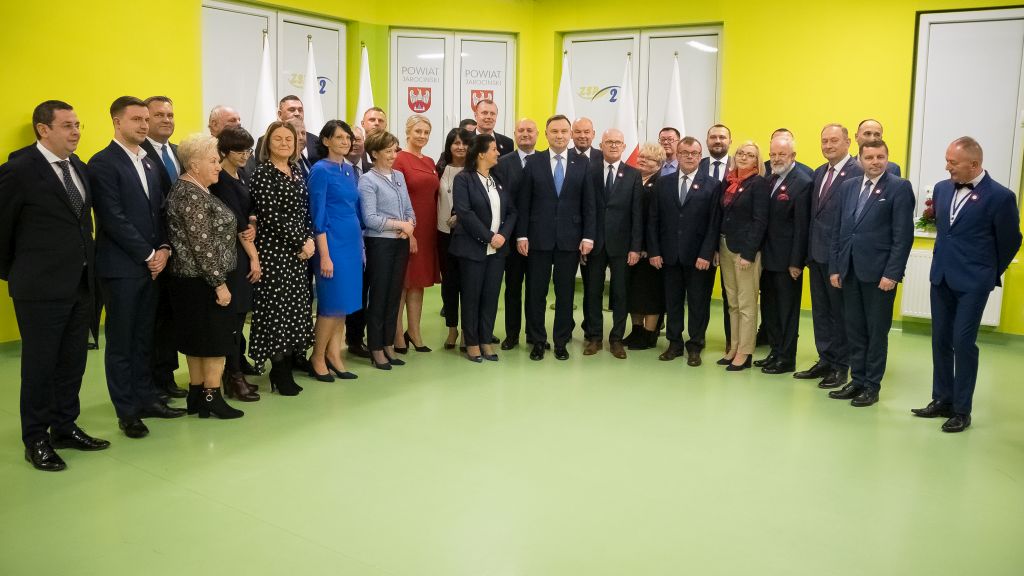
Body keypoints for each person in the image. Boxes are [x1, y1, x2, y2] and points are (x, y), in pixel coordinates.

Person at [0, 100, 110, 471]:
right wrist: (21, 273)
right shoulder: (18, 170)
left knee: (72, 362)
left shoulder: (78, 166)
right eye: (67, 125)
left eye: (78, 125)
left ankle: (65, 426)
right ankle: (36, 438)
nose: (76, 132)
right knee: (40, 367)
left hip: (80, 284)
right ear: (43, 129)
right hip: (39, 288)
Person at [90, 96, 185, 440]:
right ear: (117, 122)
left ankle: (147, 398)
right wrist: (148, 254)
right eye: (137, 119)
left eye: (146, 119)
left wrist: (164, 248)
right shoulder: (102, 163)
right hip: (122, 268)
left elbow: (160, 211)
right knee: (122, 343)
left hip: (152, 266)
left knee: (145, 338)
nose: (144, 125)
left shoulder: (147, 162)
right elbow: (113, 218)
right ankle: (127, 411)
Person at [912, 137, 1021, 432]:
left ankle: (962, 409)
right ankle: (942, 399)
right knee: (940, 340)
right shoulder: (942, 189)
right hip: (942, 277)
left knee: (963, 343)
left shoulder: (1000, 197)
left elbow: (1011, 240)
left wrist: (988, 272)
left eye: (953, 162)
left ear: (974, 164)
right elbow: (946, 233)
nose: (947, 167)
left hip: (973, 283)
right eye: (947, 160)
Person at [828, 139, 914, 407]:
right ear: (860, 160)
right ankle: (857, 380)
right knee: (854, 329)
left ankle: (871, 386)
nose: (875, 162)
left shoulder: (899, 187)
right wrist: (835, 267)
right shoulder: (848, 186)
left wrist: (893, 273)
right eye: (869, 157)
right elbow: (838, 230)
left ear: (887, 158)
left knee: (876, 332)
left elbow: (903, 236)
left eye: (880, 157)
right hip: (850, 270)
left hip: (880, 276)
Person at [165, 133, 245, 419]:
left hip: (194, 281)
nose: (218, 166)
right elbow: (202, 245)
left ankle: (197, 395)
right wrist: (219, 284)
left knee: (198, 341)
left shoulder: (192, 189)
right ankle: (212, 396)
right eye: (212, 161)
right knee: (214, 342)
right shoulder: (191, 195)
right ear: (194, 164)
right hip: (204, 281)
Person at [516, 114, 596, 361]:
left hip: (570, 240)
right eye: (554, 131)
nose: (559, 136)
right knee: (536, 292)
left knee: (565, 293)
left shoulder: (583, 163)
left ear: (570, 134)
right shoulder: (534, 162)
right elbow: (524, 202)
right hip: (538, 238)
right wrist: (521, 235)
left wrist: (588, 236)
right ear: (546, 134)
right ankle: (537, 340)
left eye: (563, 131)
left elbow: (589, 204)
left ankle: (561, 341)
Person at [248, 121, 315, 395]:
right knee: (275, 311)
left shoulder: (296, 171)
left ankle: (288, 362)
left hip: (298, 253)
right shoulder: (263, 174)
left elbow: (304, 211)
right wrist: (301, 241)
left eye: (289, 139)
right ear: (268, 143)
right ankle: (279, 370)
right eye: (278, 139)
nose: (285, 143)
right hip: (274, 252)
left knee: (294, 309)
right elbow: (270, 216)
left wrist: (308, 240)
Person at [795, 123, 862, 388]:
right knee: (821, 313)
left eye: (834, 140)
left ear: (848, 142)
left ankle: (840, 366)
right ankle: (825, 359)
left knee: (839, 315)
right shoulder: (820, 172)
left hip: (839, 258)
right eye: (824, 141)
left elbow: (852, 221)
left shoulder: (857, 172)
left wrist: (841, 259)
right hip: (817, 255)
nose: (828, 145)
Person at [648, 137, 722, 366]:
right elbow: (653, 219)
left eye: (694, 153)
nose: (690, 157)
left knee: (699, 304)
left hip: (699, 257)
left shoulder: (713, 185)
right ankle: (674, 343)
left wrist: (706, 254)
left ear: (700, 156)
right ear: (677, 155)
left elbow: (714, 224)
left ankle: (695, 345)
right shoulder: (663, 183)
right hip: (669, 255)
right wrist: (654, 251)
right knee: (673, 302)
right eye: (685, 152)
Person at [450, 134, 518, 362]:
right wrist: (489, 237)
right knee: (471, 298)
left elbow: (512, 211)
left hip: (497, 251)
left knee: (490, 297)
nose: (498, 153)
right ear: (481, 154)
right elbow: (465, 213)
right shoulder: (464, 179)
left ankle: (485, 340)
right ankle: (471, 343)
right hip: (472, 249)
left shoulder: (497, 179)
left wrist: (503, 236)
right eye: (493, 149)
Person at [307, 120, 362, 382]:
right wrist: (325, 255)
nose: (345, 142)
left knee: (344, 305)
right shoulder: (320, 171)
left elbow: (354, 209)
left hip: (351, 243)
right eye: (339, 137)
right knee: (330, 305)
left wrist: (361, 246)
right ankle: (317, 356)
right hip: (331, 244)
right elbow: (317, 215)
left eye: (348, 138)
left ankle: (334, 354)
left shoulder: (349, 170)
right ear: (326, 140)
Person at [208, 125, 261, 402]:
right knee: (232, 319)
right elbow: (234, 221)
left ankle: (235, 371)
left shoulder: (242, 174)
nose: (245, 155)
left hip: (244, 246)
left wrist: (253, 222)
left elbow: (249, 210)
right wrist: (254, 257)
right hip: (232, 254)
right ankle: (232, 376)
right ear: (225, 151)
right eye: (239, 151)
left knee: (240, 318)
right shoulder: (220, 180)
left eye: (248, 150)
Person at [581, 128, 642, 359]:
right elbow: (585, 208)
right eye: (609, 142)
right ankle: (594, 337)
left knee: (620, 293)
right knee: (592, 292)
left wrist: (635, 247)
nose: (614, 145)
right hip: (594, 243)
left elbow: (637, 214)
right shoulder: (590, 171)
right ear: (601, 145)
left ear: (624, 146)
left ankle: (616, 339)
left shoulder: (633, 174)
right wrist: (584, 238)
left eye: (618, 142)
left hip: (622, 246)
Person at [139, 95, 185, 402]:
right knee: (151, 321)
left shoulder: (180, 152)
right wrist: (160, 248)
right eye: (159, 115)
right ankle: (151, 382)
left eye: (170, 114)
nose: (166, 119)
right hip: (154, 251)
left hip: (180, 251)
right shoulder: (138, 153)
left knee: (171, 317)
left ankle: (167, 375)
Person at [755, 135, 812, 374]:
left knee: (787, 312)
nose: (776, 158)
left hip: (787, 261)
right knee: (770, 310)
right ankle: (775, 352)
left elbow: (802, 227)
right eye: (773, 154)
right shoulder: (770, 179)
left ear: (793, 156)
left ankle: (787, 358)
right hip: (767, 259)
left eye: (782, 154)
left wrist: (796, 262)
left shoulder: (803, 182)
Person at [359, 130, 415, 370]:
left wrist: (409, 225)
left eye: (395, 150)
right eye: (388, 151)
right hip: (380, 244)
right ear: (374, 153)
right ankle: (376, 347)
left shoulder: (399, 176)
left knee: (394, 295)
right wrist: (400, 225)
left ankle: (388, 344)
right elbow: (370, 218)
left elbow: (409, 209)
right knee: (379, 296)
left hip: (400, 242)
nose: (393, 155)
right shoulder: (367, 180)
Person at [717, 141, 769, 371]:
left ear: (757, 160)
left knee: (746, 304)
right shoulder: (729, 181)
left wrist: (748, 253)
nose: (743, 157)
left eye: (749, 154)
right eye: (740, 153)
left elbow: (760, 221)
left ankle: (745, 352)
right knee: (733, 303)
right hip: (726, 246)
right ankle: (734, 346)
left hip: (745, 252)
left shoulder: (758, 183)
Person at [393, 114, 440, 353]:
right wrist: (408, 232)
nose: (422, 136)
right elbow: (395, 198)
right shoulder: (399, 159)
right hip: (407, 229)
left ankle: (414, 332)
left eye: (426, 132)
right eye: (418, 131)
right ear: (408, 132)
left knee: (418, 283)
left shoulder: (430, 161)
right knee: (403, 282)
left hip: (428, 229)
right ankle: (396, 335)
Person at [346, 106, 389, 359]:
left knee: (372, 289)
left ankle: (362, 337)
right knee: (355, 290)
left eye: (358, 140)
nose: (355, 144)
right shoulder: (334, 167)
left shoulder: (373, 165)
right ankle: (350, 338)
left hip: (375, 237)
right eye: (350, 139)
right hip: (348, 238)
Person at [494, 118, 538, 350]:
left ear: (537, 134)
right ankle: (512, 335)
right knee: (512, 287)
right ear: (514, 134)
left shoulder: (544, 161)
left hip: (538, 237)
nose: (525, 134)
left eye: (530, 130)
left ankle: (533, 333)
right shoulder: (501, 163)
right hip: (510, 238)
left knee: (536, 289)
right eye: (521, 130)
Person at [623, 143, 665, 350]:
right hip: (632, 247)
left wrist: (649, 247)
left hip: (650, 250)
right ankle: (636, 330)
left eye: (648, 159)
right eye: (641, 157)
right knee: (635, 293)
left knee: (650, 294)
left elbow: (657, 220)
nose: (641, 161)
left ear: (659, 163)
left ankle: (649, 335)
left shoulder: (661, 184)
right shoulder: (633, 179)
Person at [437, 128, 473, 349]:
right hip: (444, 234)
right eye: (456, 143)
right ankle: (452, 328)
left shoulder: (476, 169)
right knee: (449, 284)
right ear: (449, 146)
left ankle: (468, 331)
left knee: (468, 283)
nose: (460, 147)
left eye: (465, 143)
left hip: (469, 235)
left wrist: (461, 215)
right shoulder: (440, 169)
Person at [700, 123, 732, 353]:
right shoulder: (697, 165)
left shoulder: (740, 166)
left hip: (731, 242)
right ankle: (698, 338)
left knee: (731, 296)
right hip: (703, 243)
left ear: (730, 141)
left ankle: (733, 341)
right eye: (713, 137)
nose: (718, 141)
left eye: (722, 137)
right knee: (701, 294)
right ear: (707, 141)